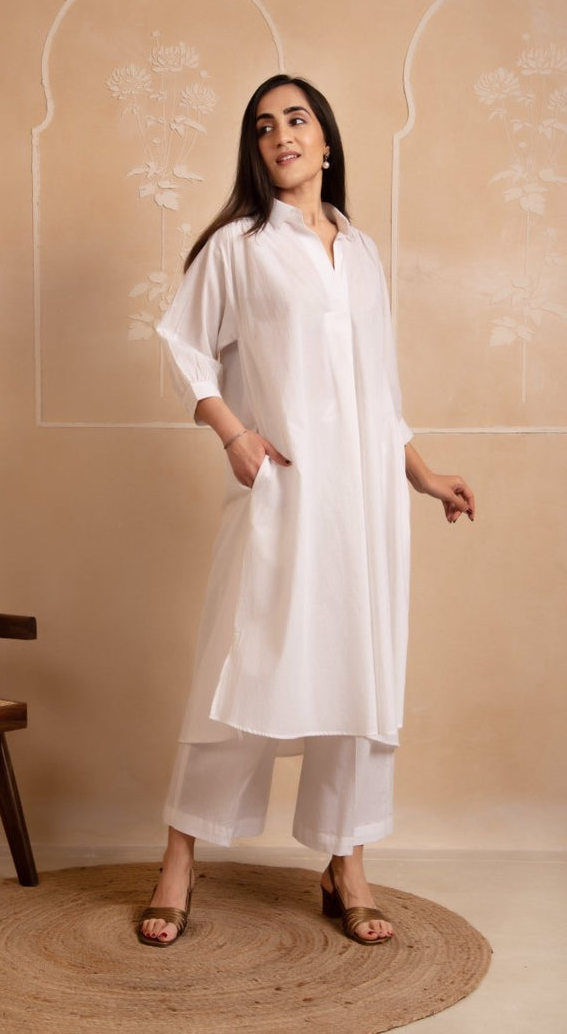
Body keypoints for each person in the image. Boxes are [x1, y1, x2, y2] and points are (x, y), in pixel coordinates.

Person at [138, 74, 475, 948]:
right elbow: (180, 345)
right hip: (285, 493)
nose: (280, 134)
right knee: (242, 666)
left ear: (325, 140)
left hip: (367, 508)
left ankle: (345, 864)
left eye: (295, 119)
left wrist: (424, 475)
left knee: (359, 677)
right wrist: (233, 433)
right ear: (255, 151)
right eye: (263, 126)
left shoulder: (360, 252)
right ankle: (179, 861)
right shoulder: (239, 246)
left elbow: (379, 395)